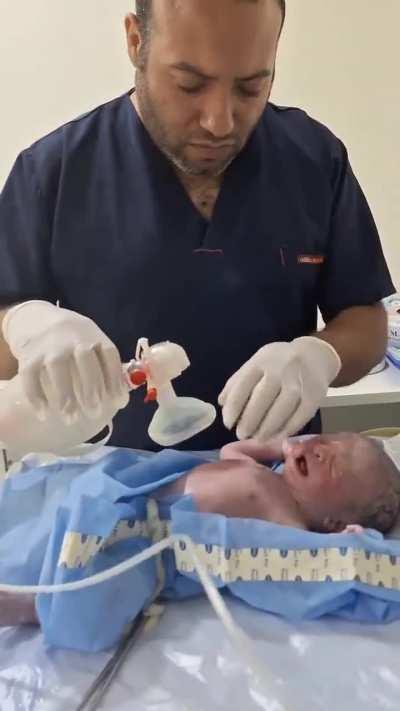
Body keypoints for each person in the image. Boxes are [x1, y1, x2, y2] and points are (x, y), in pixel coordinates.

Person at [0, 0, 394, 452]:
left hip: (282, 480)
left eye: (250, 88)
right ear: (135, 41)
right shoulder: (54, 171)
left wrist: (321, 356)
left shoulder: (314, 159)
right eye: (190, 85)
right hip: (108, 489)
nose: (218, 121)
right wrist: (28, 326)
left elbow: (365, 320)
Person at [0, 432, 398, 648]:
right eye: (332, 441)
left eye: (340, 464)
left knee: (83, 591)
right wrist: (281, 445)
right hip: (127, 490)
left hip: (141, 540)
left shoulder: (284, 524)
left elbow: (315, 571)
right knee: (36, 508)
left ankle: (27, 607)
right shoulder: (265, 472)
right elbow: (231, 449)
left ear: (332, 522)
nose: (322, 449)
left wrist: (347, 544)